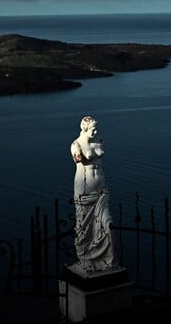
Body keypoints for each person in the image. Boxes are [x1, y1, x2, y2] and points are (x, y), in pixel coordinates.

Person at [70, 116, 117, 272]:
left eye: (96, 128)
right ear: (84, 128)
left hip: (101, 189)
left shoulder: (98, 140)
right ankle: (85, 258)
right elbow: (78, 160)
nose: (95, 131)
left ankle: (106, 260)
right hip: (85, 188)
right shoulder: (76, 145)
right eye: (93, 129)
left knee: (107, 225)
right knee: (84, 227)